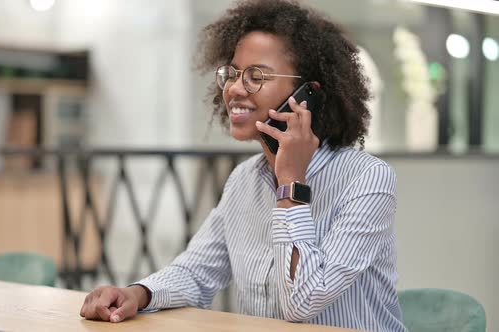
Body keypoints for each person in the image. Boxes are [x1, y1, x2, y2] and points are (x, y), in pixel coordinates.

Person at [80, 1, 406, 331]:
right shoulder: (244, 180)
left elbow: (304, 302)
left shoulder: (366, 180)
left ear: (309, 95)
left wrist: (291, 182)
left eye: (256, 76)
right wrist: (137, 294)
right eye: (233, 74)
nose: (235, 89)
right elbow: (197, 272)